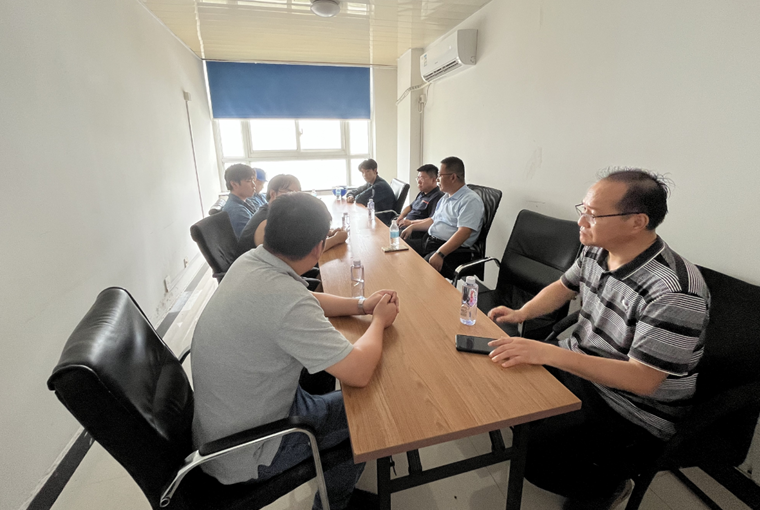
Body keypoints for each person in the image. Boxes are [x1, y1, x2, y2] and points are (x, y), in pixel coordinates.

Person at [486, 169, 710, 510]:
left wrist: (549, 353)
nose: (581, 222)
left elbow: (643, 380)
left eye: (592, 214)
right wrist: (521, 313)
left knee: (534, 462)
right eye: (583, 210)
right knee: (504, 393)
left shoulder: (673, 290)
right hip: (584, 367)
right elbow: (563, 287)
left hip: (632, 407)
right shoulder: (596, 250)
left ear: (636, 222)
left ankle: (607, 488)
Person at [191, 193, 400, 510]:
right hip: (250, 451)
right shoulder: (284, 300)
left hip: (235, 419)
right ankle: (332, 505)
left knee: (345, 393)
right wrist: (380, 321)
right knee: (370, 413)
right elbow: (358, 371)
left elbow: (306, 299)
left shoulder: (250, 262)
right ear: (318, 247)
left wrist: (362, 305)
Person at [400, 156, 484, 279]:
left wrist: (440, 253)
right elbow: (433, 220)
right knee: (401, 248)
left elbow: (464, 232)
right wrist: (413, 226)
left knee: (417, 270)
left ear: (453, 177)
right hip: (430, 241)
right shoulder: (445, 197)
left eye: (440, 175)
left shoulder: (470, 200)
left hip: (452, 251)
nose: (437, 179)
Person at [237, 174, 348, 256]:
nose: (296, 198)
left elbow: (300, 236)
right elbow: (297, 254)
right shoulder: (266, 222)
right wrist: (335, 240)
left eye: (298, 193)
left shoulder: (279, 213)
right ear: (273, 194)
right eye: (290, 193)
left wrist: (326, 233)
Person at [345, 159, 396, 225]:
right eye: (362, 172)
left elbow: (359, 199)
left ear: (375, 171)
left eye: (367, 171)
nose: (365, 175)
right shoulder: (370, 183)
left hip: (381, 219)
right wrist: (351, 196)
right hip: (373, 215)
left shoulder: (379, 186)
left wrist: (354, 197)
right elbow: (355, 191)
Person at [396, 164, 444, 231]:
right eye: (418, 178)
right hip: (405, 226)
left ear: (433, 180)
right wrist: (401, 217)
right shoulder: (422, 192)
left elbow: (432, 220)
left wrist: (411, 223)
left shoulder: (438, 197)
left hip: (416, 230)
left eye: (422, 178)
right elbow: (411, 206)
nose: (418, 181)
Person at [221, 164, 257, 239]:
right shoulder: (237, 211)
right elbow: (250, 239)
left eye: (253, 181)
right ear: (234, 184)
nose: (254, 185)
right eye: (248, 181)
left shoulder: (246, 201)